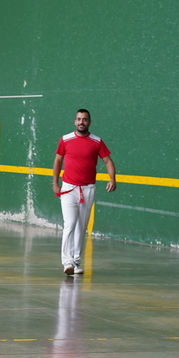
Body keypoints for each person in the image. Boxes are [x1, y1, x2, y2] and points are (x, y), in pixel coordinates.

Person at [51, 108, 117, 276]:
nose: (81, 122)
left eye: (85, 119)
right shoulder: (65, 139)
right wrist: (55, 182)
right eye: (79, 119)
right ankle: (67, 262)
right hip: (68, 189)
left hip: (88, 189)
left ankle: (77, 260)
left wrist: (112, 179)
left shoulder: (97, 141)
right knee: (70, 224)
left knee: (81, 226)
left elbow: (108, 161)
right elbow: (58, 160)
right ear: (75, 121)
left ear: (89, 122)